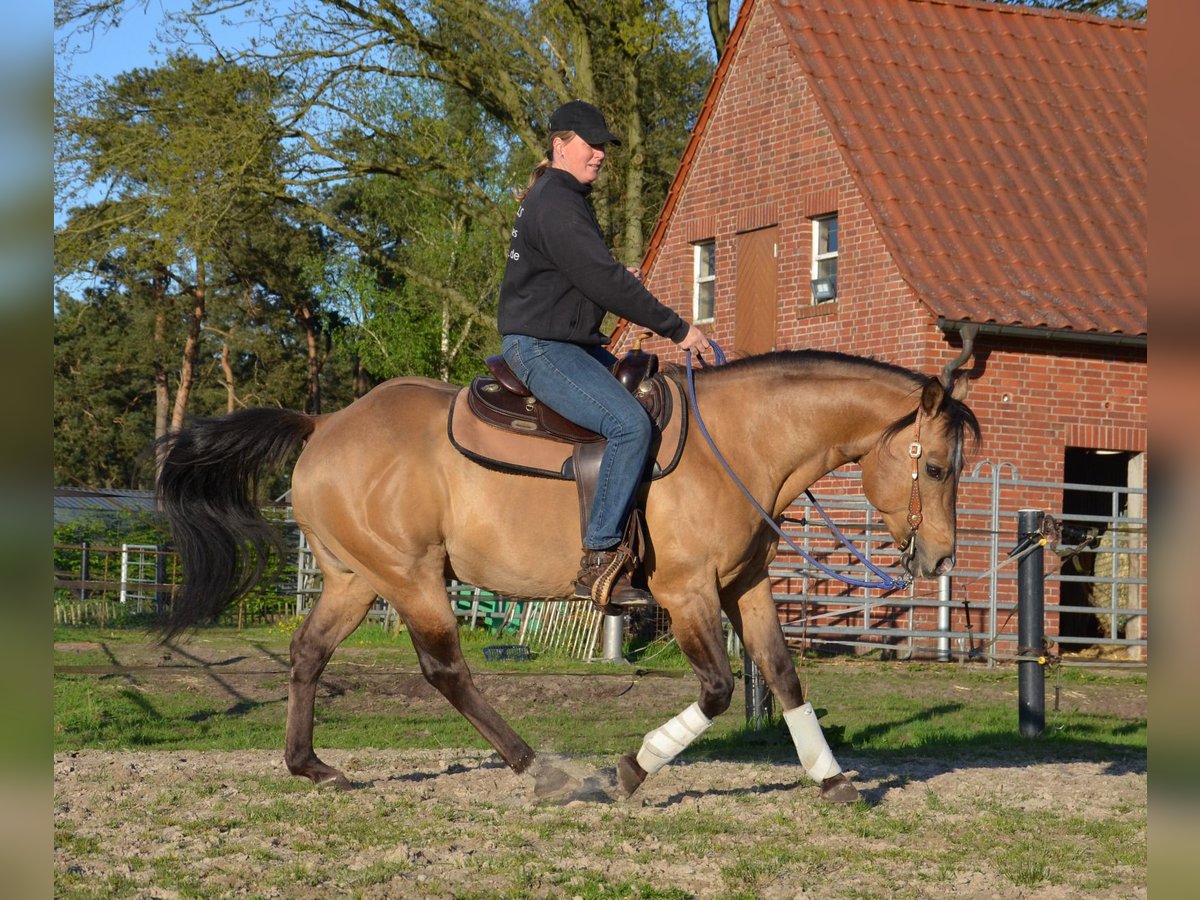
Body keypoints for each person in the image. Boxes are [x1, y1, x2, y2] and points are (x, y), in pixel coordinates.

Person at [498, 99, 711, 611]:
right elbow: (600, 278)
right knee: (630, 426)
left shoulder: (563, 197)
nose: (599, 155)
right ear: (560, 144)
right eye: (591, 145)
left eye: (603, 147)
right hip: (541, 347)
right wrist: (678, 329)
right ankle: (599, 559)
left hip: (567, 341)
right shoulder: (556, 202)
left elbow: (582, 281)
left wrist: (610, 287)